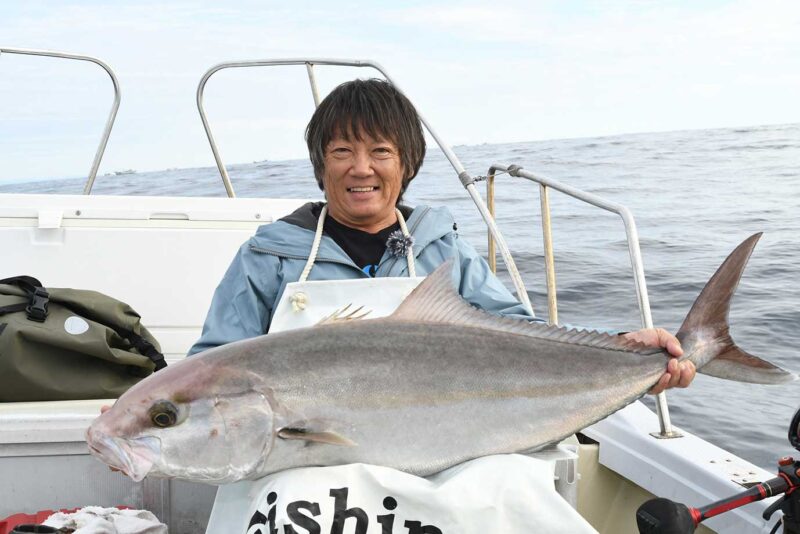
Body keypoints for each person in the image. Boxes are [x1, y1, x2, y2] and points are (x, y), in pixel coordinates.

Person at [188, 78, 694, 395]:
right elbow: (208, 370)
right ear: (321, 166)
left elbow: (518, 336)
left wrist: (628, 350)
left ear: (407, 164)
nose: (360, 169)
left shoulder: (442, 249)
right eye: (342, 151)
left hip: (439, 441)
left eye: (380, 151)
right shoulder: (269, 256)